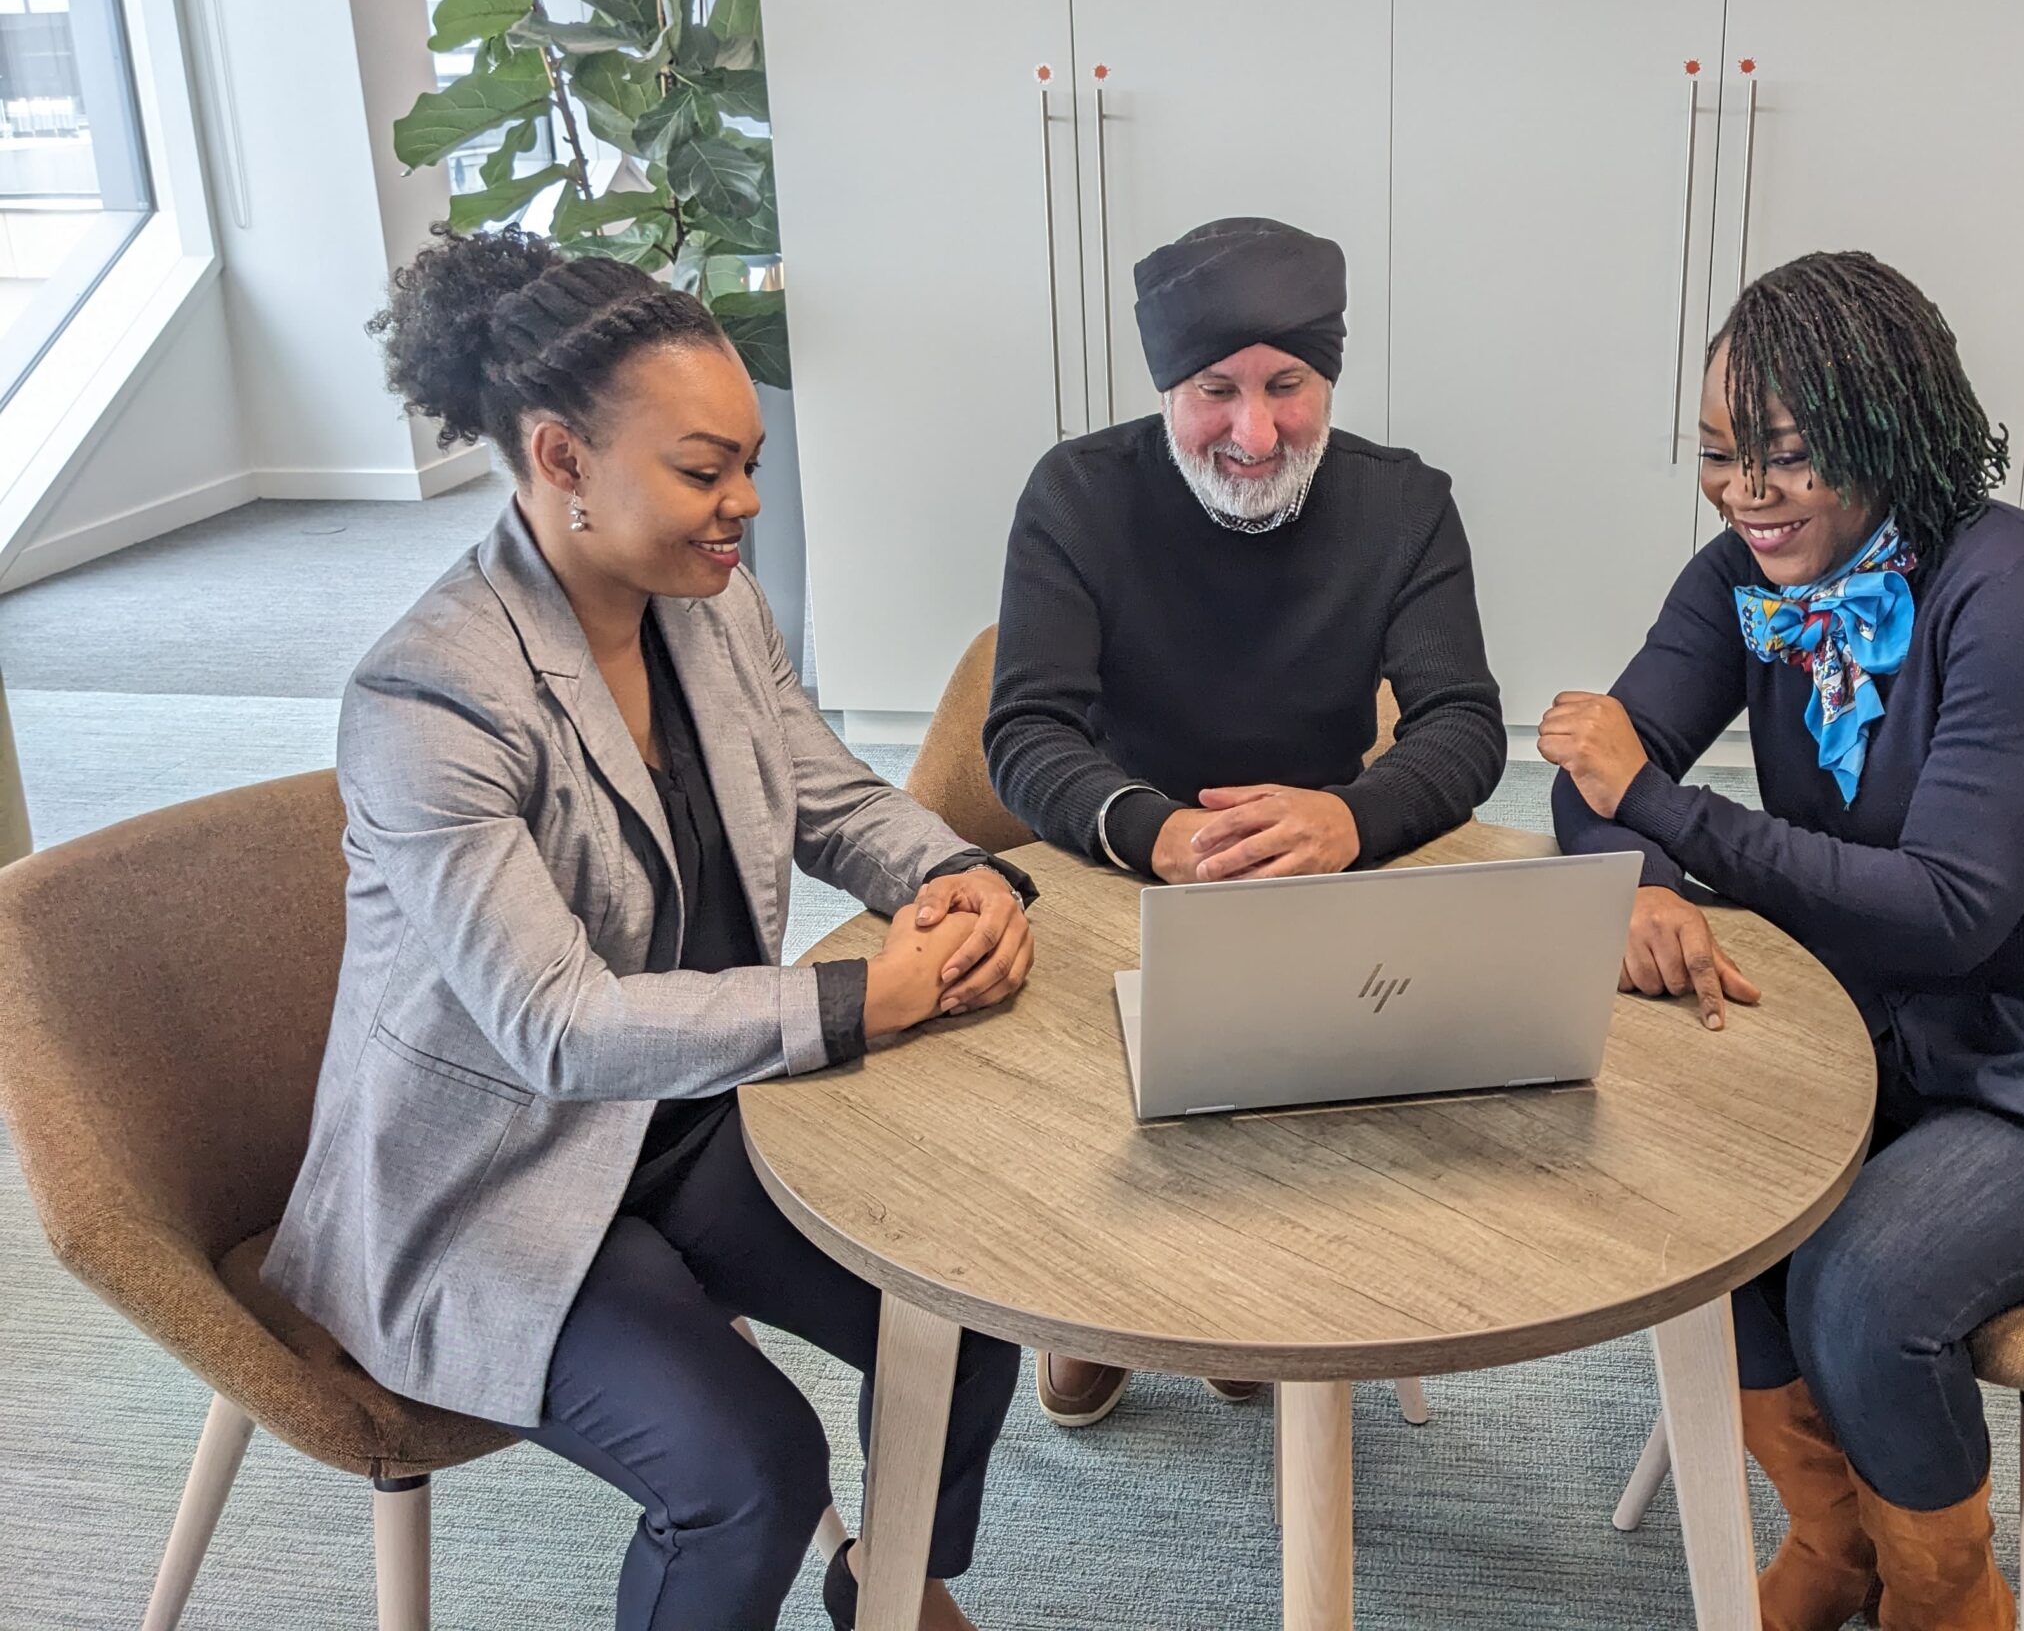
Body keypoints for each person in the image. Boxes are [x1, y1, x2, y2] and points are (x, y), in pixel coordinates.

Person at [1540, 251, 2024, 1631]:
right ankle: (1832, 1539)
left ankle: (1947, 1594)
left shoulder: (2022, 594)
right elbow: (1590, 776)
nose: (1744, 494)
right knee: (1683, 1185)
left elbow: (1950, 906)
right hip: (1900, 1004)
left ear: (1890, 434)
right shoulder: (1744, 574)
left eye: (1786, 458)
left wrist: (1667, 814)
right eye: (1721, 455)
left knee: (1864, 1287)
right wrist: (1637, 885)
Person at [263, 226, 1037, 1631]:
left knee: (967, 1296)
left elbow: (816, 786)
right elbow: (554, 1029)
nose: (744, 502)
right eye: (703, 471)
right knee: (750, 1468)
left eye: (749, 461)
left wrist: (948, 873)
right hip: (494, 1183)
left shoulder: (709, 601)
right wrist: (869, 998)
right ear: (562, 460)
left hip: (686, 1121)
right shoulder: (431, 697)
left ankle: (892, 1586)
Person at [985, 215, 1507, 1425]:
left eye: (1288, 386)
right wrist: (1154, 831)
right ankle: (1094, 1297)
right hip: (1116, 863)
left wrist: (1350, 817)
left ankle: (1236, 1302)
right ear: (1168, 387)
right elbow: (1024, 733)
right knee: (1072, 1091)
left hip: (1317, 870)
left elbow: (1464, 725)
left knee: (1293, 1106)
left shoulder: (1405, 504)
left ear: (1329, 379)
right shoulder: (1075, 492)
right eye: (1215, 390)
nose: (1254, 431)